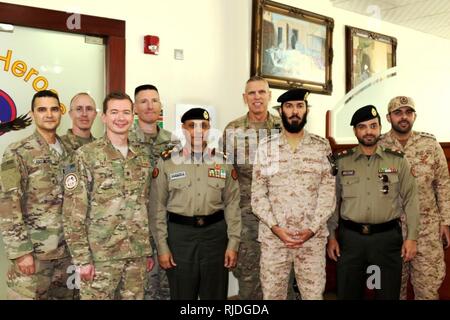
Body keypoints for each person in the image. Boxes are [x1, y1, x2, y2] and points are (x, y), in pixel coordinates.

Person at [62, 92, 153, 300]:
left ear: (133, 116)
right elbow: (73, 213)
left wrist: (149, 249)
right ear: (104, 117)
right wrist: (82, 259)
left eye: (126, 112)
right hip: (100, 257)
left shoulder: (143, 157)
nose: (120, 118)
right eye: (114, 112)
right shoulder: (86, 155)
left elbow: (146, 204)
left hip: (136, 255)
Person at [327, 105, 420, 300]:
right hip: (351, 241)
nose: (368, 131)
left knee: (385, 294)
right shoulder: (342, 162)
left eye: (373, 126)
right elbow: (332, 201)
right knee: (349, 294)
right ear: (355, 130)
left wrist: (412, 237)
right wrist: (331, 237)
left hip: (385, 241)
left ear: (379, 128)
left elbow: (411, 199)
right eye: (362, 127)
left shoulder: (398, 161)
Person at [251, 88, 335, 299]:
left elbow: (328, 193)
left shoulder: (321, 146)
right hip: (274, 240)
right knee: (273, 295)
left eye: (299, 106)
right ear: (281, 111)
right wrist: (276, 228)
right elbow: (258, 195)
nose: (294, 111)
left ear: (307, 110)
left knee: (313, 296)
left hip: (311, 241)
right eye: (289, 106)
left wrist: (312, 228)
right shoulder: (266, 147)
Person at [149, 107, 241, 300]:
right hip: (180, 238)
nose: (198, 131)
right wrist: (163, 247)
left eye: (204, 126)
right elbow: (157, 207)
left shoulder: (222, 162)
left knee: (215, 295)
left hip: (215, 237)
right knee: (183, 294)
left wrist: (233, 243)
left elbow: (232, 205)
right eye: (192, 126)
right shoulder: (167, 162)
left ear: (209, 129)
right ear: (183, 129)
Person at [0, 90, 73, 300]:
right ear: (32, 114)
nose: (48, 114)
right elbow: (7, 206)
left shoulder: (70, 151)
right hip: (34, 255)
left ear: (60, 113)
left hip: (66, 253)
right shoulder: (18, 152)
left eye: (53, 109)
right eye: (42, 109)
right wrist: (21, 253)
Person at [379, 96, 450, 300]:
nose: (404, 117)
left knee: (428, 289)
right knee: (391, 289)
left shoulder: (430, 144)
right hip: (390, 229)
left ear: (414, 116)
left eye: (408, 113)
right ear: (388, 117)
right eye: (398, 113)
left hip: (426, 230)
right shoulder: (379, 146)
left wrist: (445, 222)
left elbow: (443, 184)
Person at [222, 76, 282, 300]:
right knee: (248, 277)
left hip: (280, 217)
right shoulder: (233, 130)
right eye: (252, 93)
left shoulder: (284, 128)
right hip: (246, 217)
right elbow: (225, 177)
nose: (257, 97)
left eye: (261, 92)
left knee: (280, 276)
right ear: (244, 98)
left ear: (269, 96)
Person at [130, 84, 177, 300]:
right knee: (142, 291)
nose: (150, 106)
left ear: (161, 106)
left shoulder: (173, 142)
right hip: (134, 232)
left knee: (170, 289)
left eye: (154, 101)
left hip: (168, 229)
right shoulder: (124, 140)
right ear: (134, 108)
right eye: (143, 101)